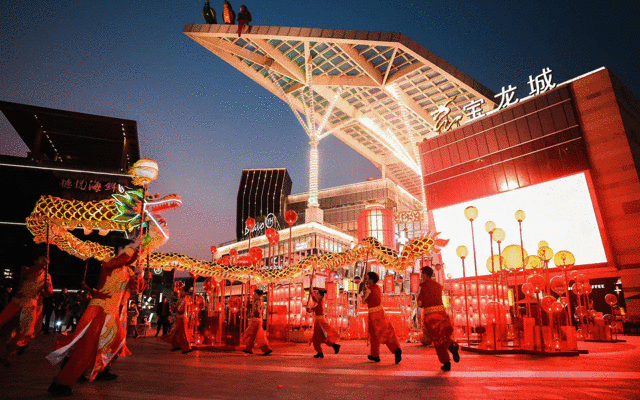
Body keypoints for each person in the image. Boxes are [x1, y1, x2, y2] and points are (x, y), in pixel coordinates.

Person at [46, 241, 139, 397]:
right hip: (99, 311)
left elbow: (135, 289)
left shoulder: (128, 271)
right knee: (87, 349)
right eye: (129, 248)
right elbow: (120, 260)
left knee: (111, 345)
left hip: (112, 314)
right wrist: (134, 249)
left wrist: (141, 276)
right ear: (121, 250)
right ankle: (62, 382)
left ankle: (85, 369)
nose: (131, 252)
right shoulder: (109, 263)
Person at [0, 256, 53, 366]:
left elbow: (48, 293)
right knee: (5, 325)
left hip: (31, 305)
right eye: (42, 261)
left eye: (46, 263)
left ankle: (10, 352)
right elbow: (27, 275)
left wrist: (47, 287)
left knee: (27, 332)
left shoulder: (47, 277)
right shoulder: (26, 269)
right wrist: (39, 268)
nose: (44, 264)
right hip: (17, 302)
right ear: (35, 261)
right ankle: (5, 351)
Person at [417, 266, 460, 371]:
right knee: (444, 335)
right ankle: (452, 346)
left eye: (422, 274)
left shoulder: (423, 286)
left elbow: (420, 303)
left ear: (424, 274)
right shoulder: (438, 286)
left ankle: (446, 362)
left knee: (437, 340)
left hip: (431, 316)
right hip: (441, 313)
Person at [361, 271, 402, 364]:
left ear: (371, 280)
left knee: (376, 334)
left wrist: (363, 293)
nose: (367, 280)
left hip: (373, 314)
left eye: (368, 278)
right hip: (380, 312)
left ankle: (395, 350)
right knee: (384, 332)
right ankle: (375, 355)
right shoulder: (377, 288)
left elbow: (363, 301)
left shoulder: (369, 289)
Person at [308, 289, 341, 358]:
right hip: (320, 321)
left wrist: (311, 294)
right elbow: (313, 307)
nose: (316, 295)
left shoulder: (319, 302)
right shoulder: (319, 302)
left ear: (320, 295)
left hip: (319, 322)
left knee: (316, 338)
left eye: (317, 294)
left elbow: (313, 306)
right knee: (323, 338)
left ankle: (320, 352)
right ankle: (334, 346)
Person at [164, 282, 193, 354]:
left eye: (182, 291)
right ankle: (176, 345)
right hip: (179, 318)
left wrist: (173, 306)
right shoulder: (181, 298)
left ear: (186, 292)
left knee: (183, 333)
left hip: (182, 318)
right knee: (175, 333)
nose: (181, 292)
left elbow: (179, 309)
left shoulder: (184, 299)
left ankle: (187, 348)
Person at [242, 289, 272, 355]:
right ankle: (250, 348)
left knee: (253, 334)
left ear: (258, 295)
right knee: (255, 335)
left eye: (255, 294)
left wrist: (253, 314)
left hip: (256, 320)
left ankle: (265, 349)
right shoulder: (258, 301)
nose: (254, 295)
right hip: (257, 320)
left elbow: (257, 311)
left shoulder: (258, 302)